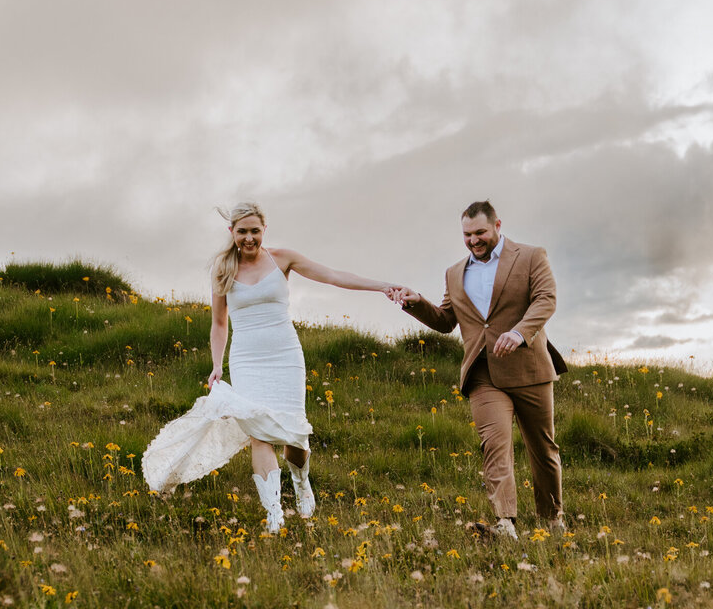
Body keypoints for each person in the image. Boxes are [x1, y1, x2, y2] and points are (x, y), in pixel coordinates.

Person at [142, 202, 396, 530]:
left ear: (264, 230)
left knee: (295, 438)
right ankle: (274, 514)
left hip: (285, 356)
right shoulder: (222, 269)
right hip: (247, 359)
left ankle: (300, 479)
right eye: (242, 231)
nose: (249, 238)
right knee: (259, 435)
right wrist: (217, 365)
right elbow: (219, 324)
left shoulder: (283, 258)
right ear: (231, 232)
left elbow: (332, 276)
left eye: (255, 231)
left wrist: (382, 286)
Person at [390, 201, 566, 540]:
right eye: (467, 235)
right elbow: (444, 321)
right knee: (494, 445)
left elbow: (546, 299)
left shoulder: (531, 256)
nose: (474, 240)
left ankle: (552, 519)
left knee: (543, 450)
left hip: (530, 368)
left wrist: (518, 333)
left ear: (498, 225)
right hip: (483, 373)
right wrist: (416, 303)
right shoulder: (455, 273)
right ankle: (506, 524)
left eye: (480, 232)